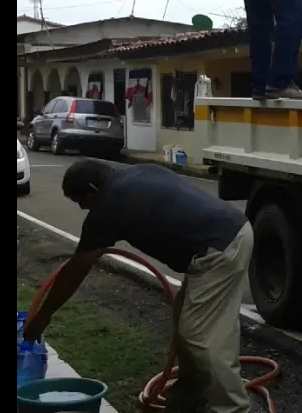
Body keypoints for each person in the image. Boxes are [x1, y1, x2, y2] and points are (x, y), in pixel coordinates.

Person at [23, 159, 254, 413]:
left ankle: (234, 408)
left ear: (93, 188)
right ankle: (189, 401)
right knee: (186, 322)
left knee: (200, 336)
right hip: (228, 234)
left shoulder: (109, 205)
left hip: (218, 250)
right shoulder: (138, 172)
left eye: (80, 200)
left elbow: (74, 272)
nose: (82, 208)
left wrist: (42, 317)